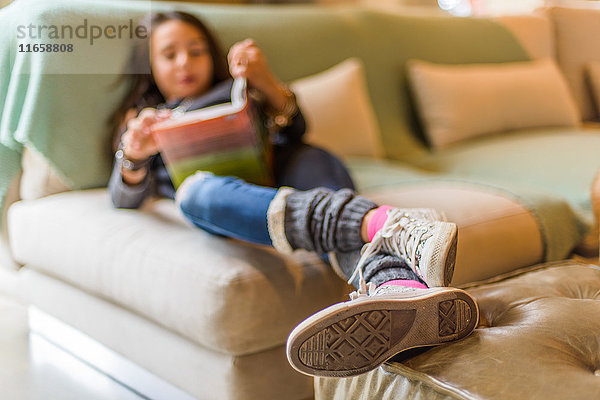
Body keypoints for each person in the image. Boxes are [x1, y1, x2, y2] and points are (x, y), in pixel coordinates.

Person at [108, 11, 478, 378]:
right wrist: (134, 155)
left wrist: (264, 80)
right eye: (170, 55)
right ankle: (386, 222)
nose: (185, 62)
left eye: (196, 50)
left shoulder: (236, 88)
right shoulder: (143, 120)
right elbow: (123, 198)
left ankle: (399, 290)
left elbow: (296, 126)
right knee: (194, 195)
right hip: (229, 200)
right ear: (150, 66)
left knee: (312, 158)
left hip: (288, 170)